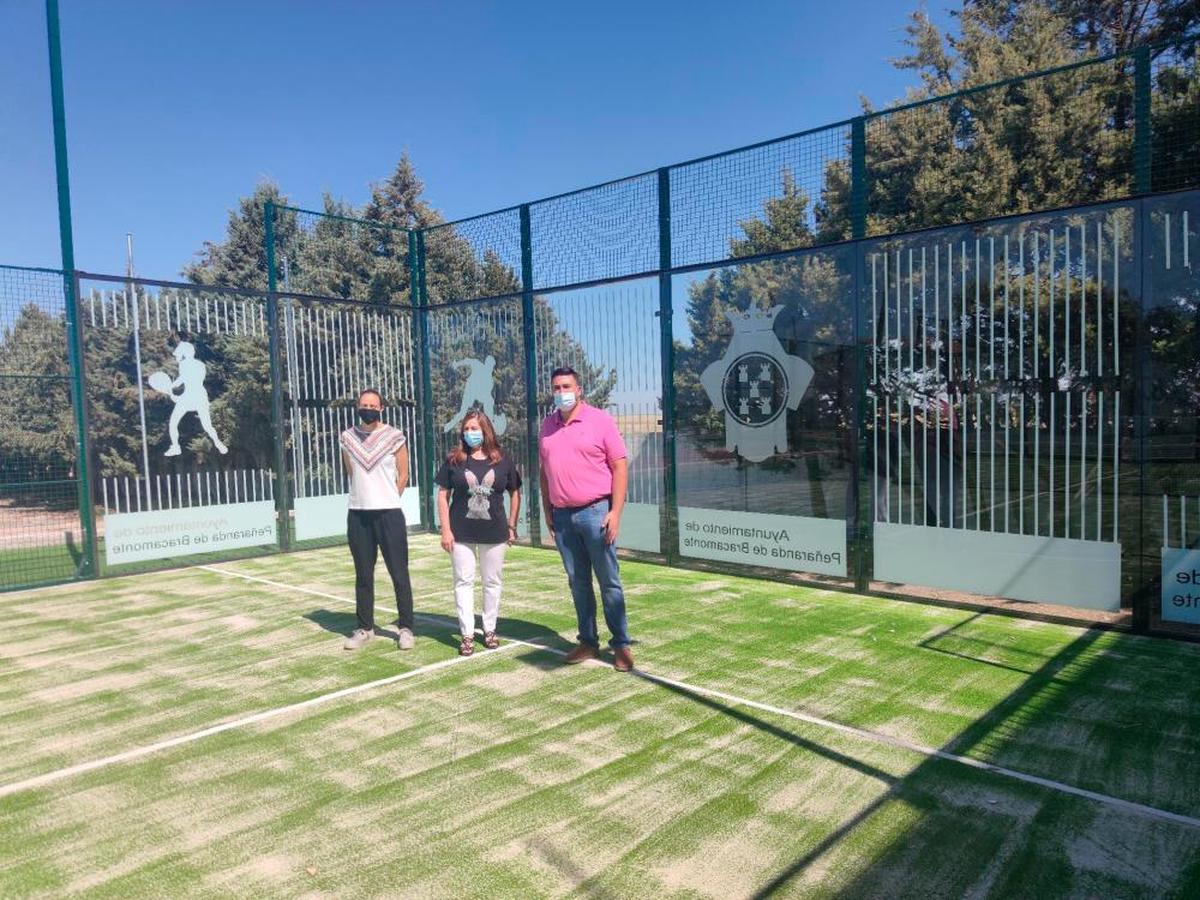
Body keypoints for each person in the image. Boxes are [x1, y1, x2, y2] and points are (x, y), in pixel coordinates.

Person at [538, 366, 634, 671]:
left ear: (579, 390)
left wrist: (615, 512)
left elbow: (619, 467)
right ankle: (588, 642)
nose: (561, 392)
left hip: (596, 513)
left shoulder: (600, 421)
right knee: (578, 584)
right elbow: (544, 473)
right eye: (556, 387)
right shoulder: (546, 426)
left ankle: (620, 645)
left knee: (609, 582)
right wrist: (548, 512)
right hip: (563, 518)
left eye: (566, 386)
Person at [435, 411, 522, 656]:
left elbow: (515, 491)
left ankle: (490, 629)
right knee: (463, 581)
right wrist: (446, 530)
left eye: (475, 428)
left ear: (486, 431)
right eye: (467, 428)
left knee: (492, 582)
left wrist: (512, 526)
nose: (470, 433)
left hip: (494, 532)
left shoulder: (503, 460)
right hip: (460, 532)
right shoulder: (455, 459)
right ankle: (467, 635)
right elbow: (443, 495)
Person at [339, 388, 416, 651]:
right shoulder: (347, 438)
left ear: (381, 408)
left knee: (399, 573)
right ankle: (364, 628)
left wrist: (388, 498)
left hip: (389, 515)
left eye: (373, 405)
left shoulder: (395, 437)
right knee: (363, 574)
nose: (368, 408)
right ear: (358, 407)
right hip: (358, 514)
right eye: (364, 404)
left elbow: (403, 474)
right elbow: (351, 472)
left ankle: (406, 628)